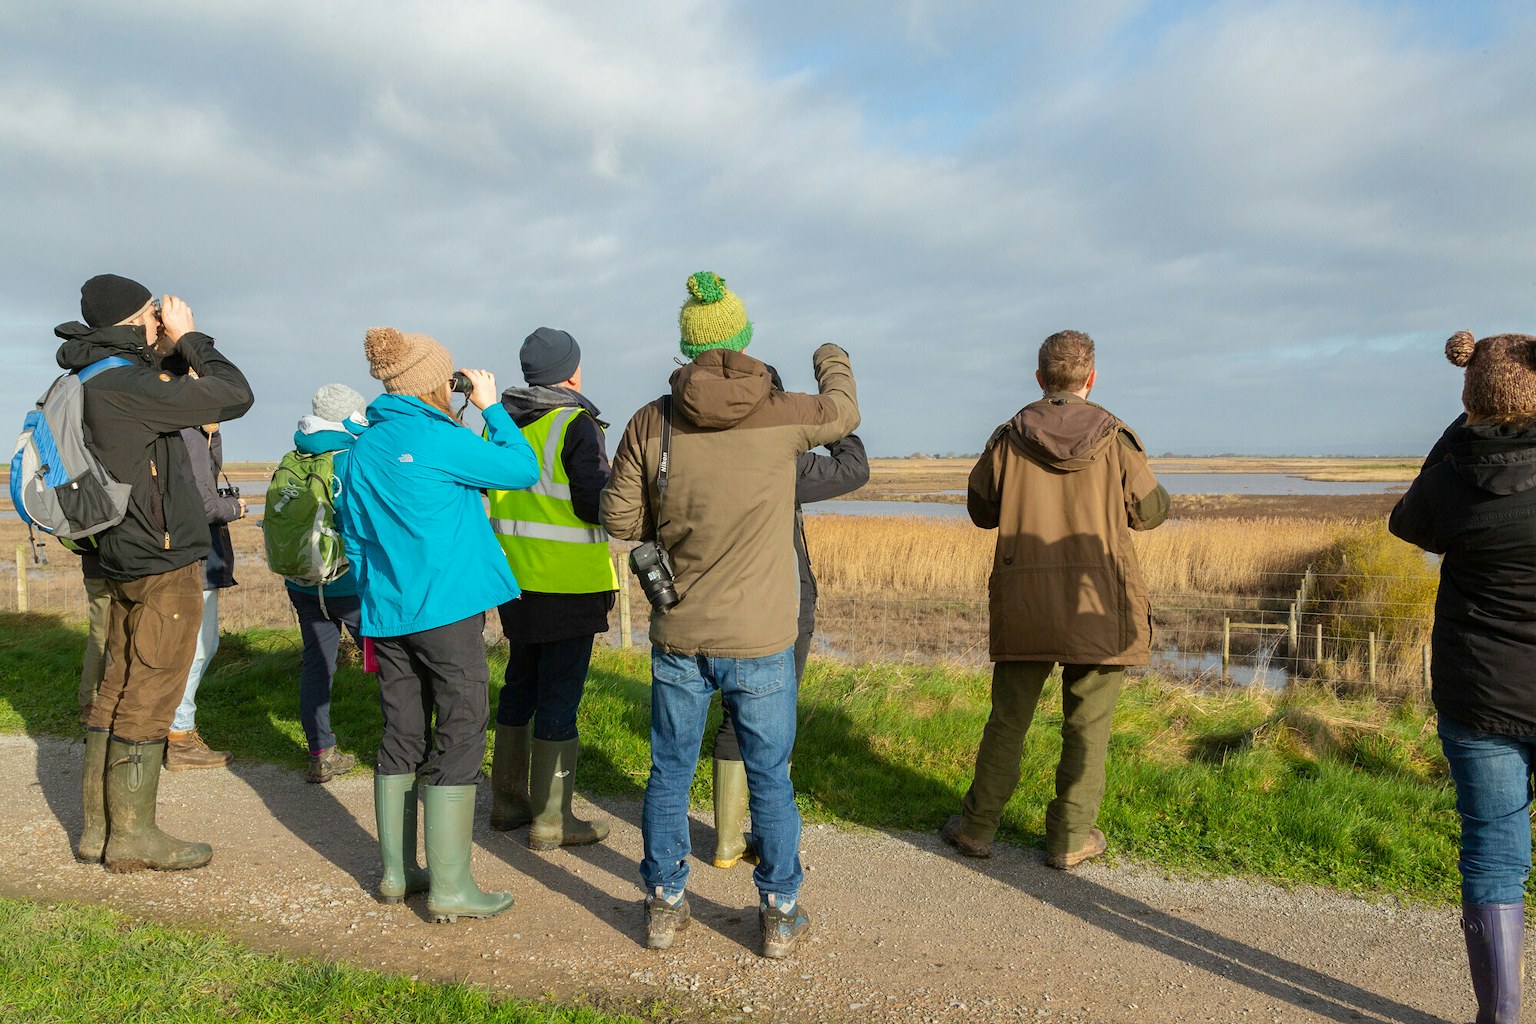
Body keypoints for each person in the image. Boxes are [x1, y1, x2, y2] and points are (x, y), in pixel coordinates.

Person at [602, 271, 859, 959]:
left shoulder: (652, 420)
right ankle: (779, 912)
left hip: (680, 632)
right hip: (763, 636)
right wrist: (831, 358)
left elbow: (619, 519)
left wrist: (673, 521)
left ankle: (664, 905)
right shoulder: (783, 413)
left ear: (686, 345)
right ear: (743, 338)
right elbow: (845, 414)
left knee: (669, 770)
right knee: (771, 775)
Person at [941, 329, 1167, 871]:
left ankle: (977, 828)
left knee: (1008, 720)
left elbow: (981, 510)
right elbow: (1151, 512)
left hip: (1026, 602)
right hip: (1099, 604)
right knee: (1088, 725)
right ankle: (1069, 838)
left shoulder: (1008, 437)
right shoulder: (1115, 439)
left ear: (1040, 378)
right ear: (1091, 378)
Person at [57, 274, 253, 872]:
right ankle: (134, 837)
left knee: (117, 684)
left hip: (118, 550)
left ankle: (98, 830)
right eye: (151, 313)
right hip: (161, 559)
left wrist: (162, 345)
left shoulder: (88, 376)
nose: (159, 321)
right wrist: (193, 338)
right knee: (153, 687)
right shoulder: (127, 385)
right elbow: (234, 394)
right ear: (131, 322)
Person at [342, 326, 538, 922]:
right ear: (435, 382)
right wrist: (491, 407)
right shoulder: (440, 438)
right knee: (462, 726)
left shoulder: (362, 447)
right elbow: (521, 469)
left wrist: (375, 603)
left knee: (401, 732)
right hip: (447, 610)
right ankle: (451, 887)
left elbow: (355, 537)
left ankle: (398, 873)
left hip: (387, 613)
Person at [1389, 330, 1536, 1024]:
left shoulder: (1451, 485)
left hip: (1481, 694)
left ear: (1469, 401)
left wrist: (1464, 420)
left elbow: (1408, 519)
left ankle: (1499, 1016)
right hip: (1486, 697)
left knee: (1493, 853)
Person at [710, 365, 868, 868]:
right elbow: (853, 469)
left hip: (713, 595)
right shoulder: (784, 456)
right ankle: (768, 837)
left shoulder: (698, 444)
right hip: (779, 597)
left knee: (732, 713)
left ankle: (725, 842)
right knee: (772, 714)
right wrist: (832, 421)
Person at [485, 328, 616, 851]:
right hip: (569, 583)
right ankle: (551, 820)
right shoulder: (574, 422)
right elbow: (593, 503)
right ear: (571, 372)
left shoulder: (500, 422)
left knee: (520, 684)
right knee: (559, 694)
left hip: (516, 582)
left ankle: (508, 803)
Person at [283, 384, 370, 784]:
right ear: (352, 418)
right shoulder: (353, 459)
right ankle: (406, 750)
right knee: (392, 664)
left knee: (317, 666)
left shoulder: (296, 455)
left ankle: (321, 753)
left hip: (303, 583)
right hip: (349, 584)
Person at [164, 419, 247, 771]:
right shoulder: (189, 435)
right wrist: (236, 508)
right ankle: (179, 736)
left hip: (179, 556)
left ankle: (165, 729)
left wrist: (213, 434)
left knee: (195, 646)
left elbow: (206, 477)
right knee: (197, 649)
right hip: (196, 557)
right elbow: (207, 503)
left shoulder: (180, 431)